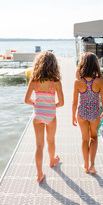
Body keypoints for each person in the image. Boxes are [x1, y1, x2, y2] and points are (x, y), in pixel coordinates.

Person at [25, 51, 64, 183]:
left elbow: (27, 100)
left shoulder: (34, 81)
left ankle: (39, 174)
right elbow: (62, 103)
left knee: (39, 145)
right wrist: (53, 106)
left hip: (37, 116)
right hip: (50, 115)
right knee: (51, 140)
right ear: (54, 66)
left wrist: (35, 103)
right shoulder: (56, 82)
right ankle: (52, 160)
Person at [72, 52, 103, 174]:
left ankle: (85, 165)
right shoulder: (100, 81)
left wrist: (73, 116)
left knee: (84, 139)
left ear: (82, 65)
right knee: (94, 138)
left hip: (81, 113)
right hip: (94, 114)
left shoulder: (78, 82)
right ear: (95, 65)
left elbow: (74, 102)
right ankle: (92, 164)